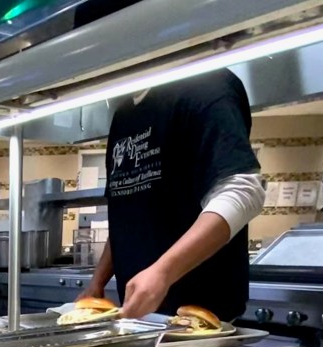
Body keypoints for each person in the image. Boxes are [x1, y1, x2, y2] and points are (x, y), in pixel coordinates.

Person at [82, 69, 266, 322]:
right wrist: (97, 282)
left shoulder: (207, 85)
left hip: (199, 318)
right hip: (140, 317)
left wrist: (163, 272)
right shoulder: (124, 113)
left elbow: (243, 191)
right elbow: (125, 214)